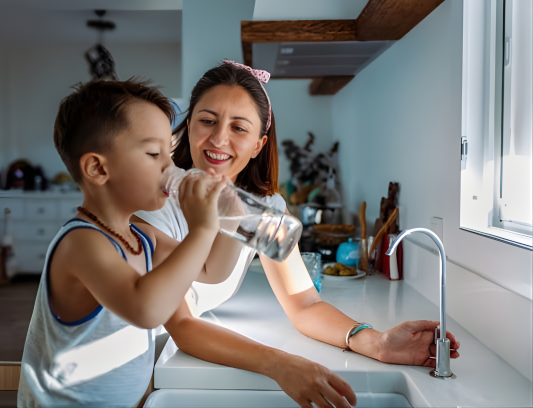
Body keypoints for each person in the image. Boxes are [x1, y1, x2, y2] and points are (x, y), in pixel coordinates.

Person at [134, 61, 461, 408]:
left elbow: (304, 304)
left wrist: (375, 342)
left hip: (175, 369)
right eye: (208, 120)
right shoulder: (154, 205)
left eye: (238, 127)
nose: (218, 138)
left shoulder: (263, 208)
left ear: (259, 145)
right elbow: (182, 326)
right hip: (136, 373)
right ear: (188, 126)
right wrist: (280, 364)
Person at [17, 79, 247, 407]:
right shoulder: (81, 243)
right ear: (97, 168)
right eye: (154, 153)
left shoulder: (143, 238)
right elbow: (146, 310)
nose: (171, 167)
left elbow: (211, 270)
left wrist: (230, 220)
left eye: (169, 152)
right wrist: (202, 229)